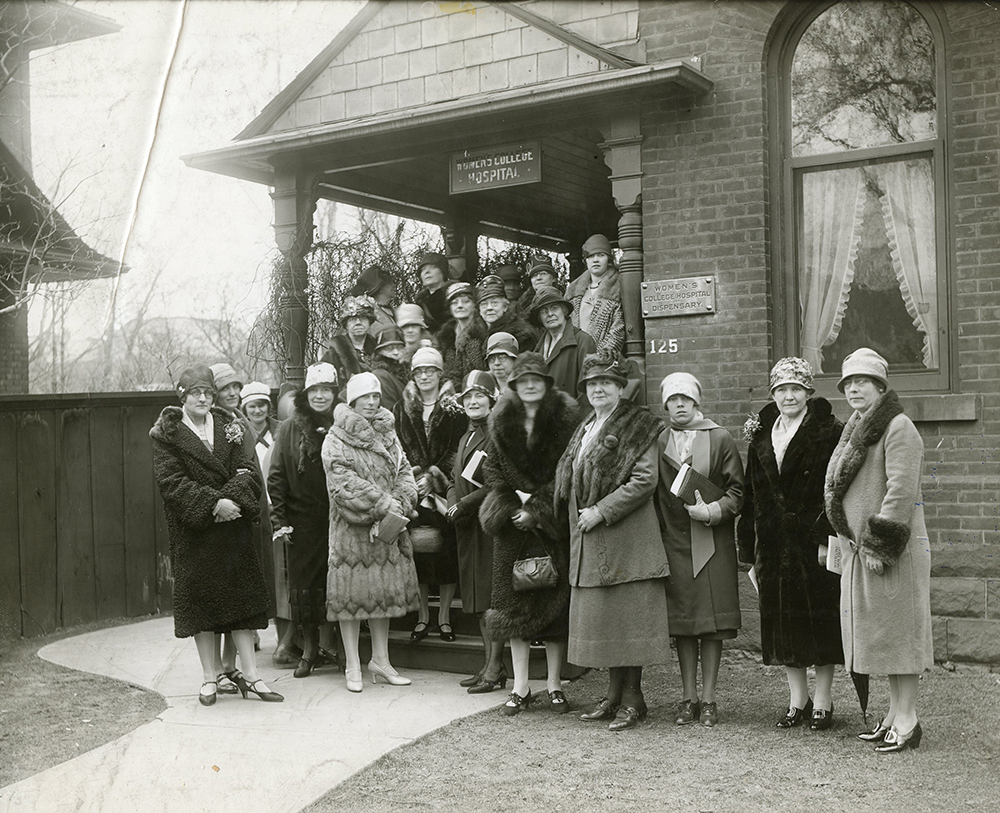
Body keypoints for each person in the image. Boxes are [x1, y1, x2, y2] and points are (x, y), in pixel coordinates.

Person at [150, 364, 282, 705]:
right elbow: (172, 483)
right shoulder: (167, 434)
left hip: (233, 528)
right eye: (195, 393)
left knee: (241, 601)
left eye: (208, 392)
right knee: (203, 608)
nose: (203, 398)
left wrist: (231, 501)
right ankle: (209, 678)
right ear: (182, 396)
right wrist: (214, 504)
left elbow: (247, 469)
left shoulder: (229, 425)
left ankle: (251, 676)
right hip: (196, 533)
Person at [824, 348, 932, 753]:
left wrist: (879, 545)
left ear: (880, 386)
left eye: (862, 381)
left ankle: (908, 720)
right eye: (848, 383)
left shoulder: (898, 426)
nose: (853, 388)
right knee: (885, 637)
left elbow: (900, 490)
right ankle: (892, 715)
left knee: (900, 636)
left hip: (891, 552)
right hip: (862, 551)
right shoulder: (857, 426)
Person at [555, 354, 669, 731]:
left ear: (621, 388)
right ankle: (614, 694)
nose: (598, 389)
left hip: (626, 536)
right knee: (606, 619)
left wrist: (601, 510)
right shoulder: (587, 426)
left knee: (628, 615)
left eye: (606, 383)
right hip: (591, 537)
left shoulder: (639, 426)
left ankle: (634, 699)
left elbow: (644, 480)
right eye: (591, 384)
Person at [738, 358, 844, 730]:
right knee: (783, 623)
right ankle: (798, 700)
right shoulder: (762, 436)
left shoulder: (829, 431)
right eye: (781, 390)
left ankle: (824, 701)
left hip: (810, 543)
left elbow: (836, 490)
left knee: (819, 621)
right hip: (772, 545)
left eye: (796, 389)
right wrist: (748, 552)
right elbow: (752, 495)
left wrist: (824, 540)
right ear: (773, 394)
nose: (789, 396)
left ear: (808, 392)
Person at [481, 352, 580, 716]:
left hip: (551, 523)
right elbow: (491, 469)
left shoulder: (568, 420)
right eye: (523, 381)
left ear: (546, 383)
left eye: (536, 379)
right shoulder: (500, 420)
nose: (530, 385)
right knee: (513, 610)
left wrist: (536, 509)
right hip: (511, 530)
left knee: (553, 612)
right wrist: (513, 505)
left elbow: (571, 469)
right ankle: (520, 687)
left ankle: (554, 685)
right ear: (515, 386)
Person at [655, 372, 744, 728]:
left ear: (696, 402)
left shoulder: (719, 437)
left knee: (711, 624)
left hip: (711, 541)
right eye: (673, 400)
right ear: (665, 405)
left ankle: (708, 698)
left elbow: (738, 492)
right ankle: (687, 697)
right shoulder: (658, 442)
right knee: (684, 624)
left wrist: (712, 511)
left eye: (686, 399)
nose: (679, 405)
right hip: (673, 541)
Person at [324, 372, 421, 692]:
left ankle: (381, 660)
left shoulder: (388, 433)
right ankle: (353, 664)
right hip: (353, 532)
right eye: (364, 396)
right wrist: (383, 504)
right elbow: (342, 484)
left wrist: (402, 502)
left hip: (388, 529)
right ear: (351, 400)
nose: (371, 401)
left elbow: (404, 471)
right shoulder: (336, 438)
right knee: (350, 600)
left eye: (376, 396)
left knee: (383, 596)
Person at [267, 363, 339, 679]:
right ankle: (309, 650)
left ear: (335, 393)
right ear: (306, 394)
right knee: (306, 589)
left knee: (338, 585)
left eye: (327, 390)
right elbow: (277, 476)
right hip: (303, 522)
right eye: (315, 391)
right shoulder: (289, 429)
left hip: (340, 519)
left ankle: (338, 649)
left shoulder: (344, 423)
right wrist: (279, 520)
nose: (321, 396)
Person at [394, 347, 468, 643]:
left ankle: (445, 618)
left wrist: (434, 476)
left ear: (440, 374)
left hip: (444, 488)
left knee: (447, 553)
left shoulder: (455, 407)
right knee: (419, 553)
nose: (425, 376)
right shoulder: (403, 408)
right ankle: (424, 617)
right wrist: (413, 477)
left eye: (430, 371)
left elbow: (458, 448)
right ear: (413, 376)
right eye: (419, 371)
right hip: (414, 490)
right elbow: (398, 446)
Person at [447, 370, 506, 694]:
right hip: (468, 527)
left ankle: (495, 667)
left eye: (478, 396)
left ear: (491, 400)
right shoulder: (465, 436)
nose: (472, 401)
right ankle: (489, 664)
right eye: (467, 397)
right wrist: (453, 500)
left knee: (490, 600)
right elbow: (455, 476)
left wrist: (464, 503)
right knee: (479, 601)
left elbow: (498, 481)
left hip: (487, 524)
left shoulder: (496, 434)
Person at [211, 363, 274, 665]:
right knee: (224, 596)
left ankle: (230, 662)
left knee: (243, 595)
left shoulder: (240, 421)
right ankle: (222, 667)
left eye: (237, 386)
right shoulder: (212, 424)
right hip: (228, 516)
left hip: (251, 514)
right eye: (226, 388)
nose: (234, 393)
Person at [565, 234, 625, 358]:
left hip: (602, 360)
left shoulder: (618, 287)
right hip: (575, 355)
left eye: (601, 255)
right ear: (586, 260)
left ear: (608, 259)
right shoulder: (573, 290)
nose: (595, 260)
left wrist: (600, 357)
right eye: (591, 256)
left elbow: (618, 330)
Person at [531, 286, 597, 396]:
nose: (550, 314)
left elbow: (587, 391)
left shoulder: (583, 341)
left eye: (554, 308)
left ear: (564, 311)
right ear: (540, 318)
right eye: (544, 311)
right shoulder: (538, 350)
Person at [438, 281, 488, 387]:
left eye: (465, 301)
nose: (460, 306)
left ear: (475, 304)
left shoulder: (483, 332)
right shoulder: (446, 337)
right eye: (454, 303)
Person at [322, 297, 376, 383]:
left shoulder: (378, 350)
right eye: (352, 320)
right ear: (346, 325)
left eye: (363, 318)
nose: (358, 323)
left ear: (370, 323)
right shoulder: (333, 355)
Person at [478, 274, 538, 352]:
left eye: (495, 303)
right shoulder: (473, 336)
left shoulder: (520, 335)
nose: (489, 308)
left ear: (505, 306)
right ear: (479, 310)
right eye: (484, 304)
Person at [349, 263, 397, 338]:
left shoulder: (392, 311)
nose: (394, 285)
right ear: (380, 288)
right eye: (390, 283)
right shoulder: (368, 314)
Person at [369, 326, 409, 412]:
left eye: (399, 348)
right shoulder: (380, 375)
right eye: (389, 349)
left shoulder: (408, 370)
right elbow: (391, 410)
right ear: (379, 352)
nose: (396, 352)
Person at [415, 251, 451, 333]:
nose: (427, 272)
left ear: (443, 271)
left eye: (432, 267)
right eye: (423, 270)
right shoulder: (419, 304)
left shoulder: (455, 296)